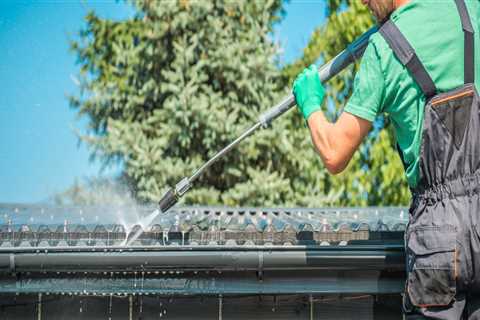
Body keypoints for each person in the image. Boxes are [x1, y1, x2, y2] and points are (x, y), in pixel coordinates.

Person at [293, 0, 480, 319]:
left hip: (440, 234)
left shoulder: (385, 48)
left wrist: (311, 105)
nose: (363, 2)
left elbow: (334, 153)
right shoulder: (471, 9)